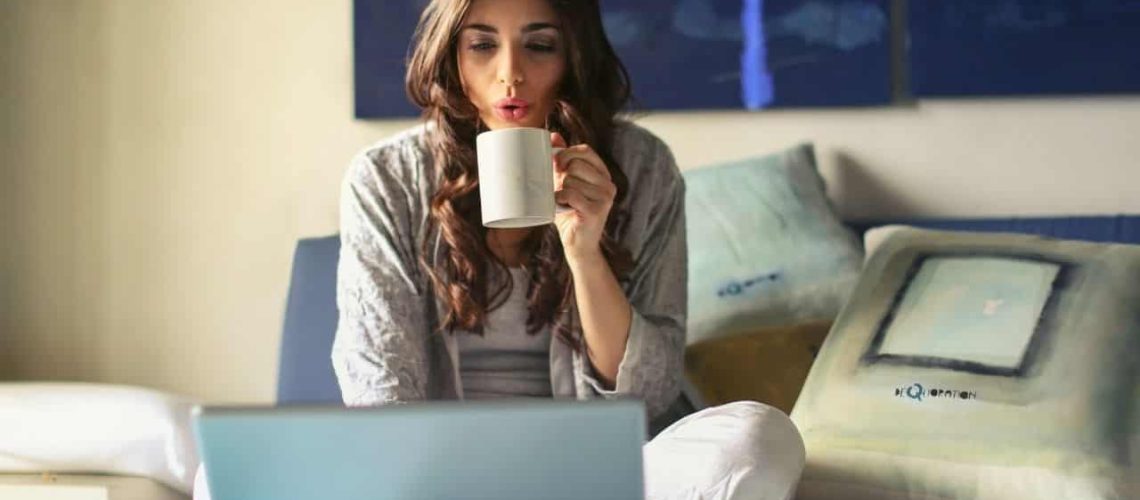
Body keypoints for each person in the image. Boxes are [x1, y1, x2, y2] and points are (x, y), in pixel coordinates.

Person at [193, 0, 803, 498]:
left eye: (539, 45)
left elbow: (650, 393)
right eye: (482, 44)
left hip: (598, 471)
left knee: (758, 438)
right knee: (219, 480)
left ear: (572, 55)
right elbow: (379, 386)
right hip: (433, 472)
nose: (511, 73)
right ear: (452, 56)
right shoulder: (386, 178)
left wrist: (586, 250)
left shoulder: (643, 170)